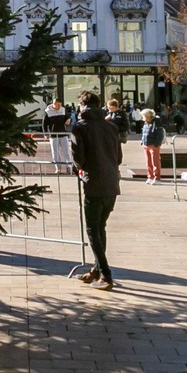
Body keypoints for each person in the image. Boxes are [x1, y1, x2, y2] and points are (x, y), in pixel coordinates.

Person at [69, 92, 122, 288]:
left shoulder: (80, 127)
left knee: (93, 230)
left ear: (82, 105)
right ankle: (96, 270)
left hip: (93, 182)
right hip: (112, 182)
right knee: (100, 228)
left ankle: (106, 275)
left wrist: (77, 169)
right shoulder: (111, 126)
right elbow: (119, 156)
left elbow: (78, 158)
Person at [42, 99, 70, 168]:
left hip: (63, 134)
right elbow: (44, 124)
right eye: (58, 105)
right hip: (53, 135)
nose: (59, 106)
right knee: (55, 152)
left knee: (66, 151)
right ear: (53, 104)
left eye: (60, 105)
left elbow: (67, 118)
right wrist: (45, 133)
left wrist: (68, 120)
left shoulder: (62, 110)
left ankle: (69, 167)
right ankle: (58, 167)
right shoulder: (47, 112)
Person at [139, 109, 164, 184]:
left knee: (155, 162)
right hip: (146, 144)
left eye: (144, 116)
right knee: (148, 162)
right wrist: (142, 141)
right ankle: (150, 176)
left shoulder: (156, 123)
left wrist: (156, 144)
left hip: (153, 145)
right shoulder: (146, 123)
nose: (143, 117)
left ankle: (157, 178)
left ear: (149, 116)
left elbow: (160, 134)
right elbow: (144, 132)